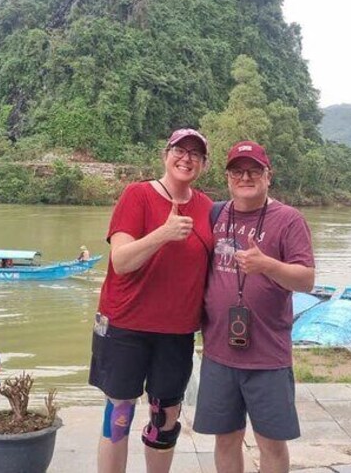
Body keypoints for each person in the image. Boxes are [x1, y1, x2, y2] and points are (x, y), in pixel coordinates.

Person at [89, 128, 213, 473]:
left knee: (165, 420)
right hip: (126, 325)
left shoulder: (207, 208)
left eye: (196, 154)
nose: (186, 158)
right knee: (119, 414)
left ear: (204, 164)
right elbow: (121, 261)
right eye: (179, 150)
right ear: (165, 155)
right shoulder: (137, 195)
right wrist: (163, 234)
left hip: (177, 332)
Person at [193, 140, 315, 473]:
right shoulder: (215, 214)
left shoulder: (289, 220)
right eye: (237, 171)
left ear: (268, 176)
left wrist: (267, 265)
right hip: (218, 353)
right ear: (227, 177)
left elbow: (306, 280)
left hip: (268, 356)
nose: (245, 177)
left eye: (253, 171)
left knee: (271, 444)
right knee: (225, 439)